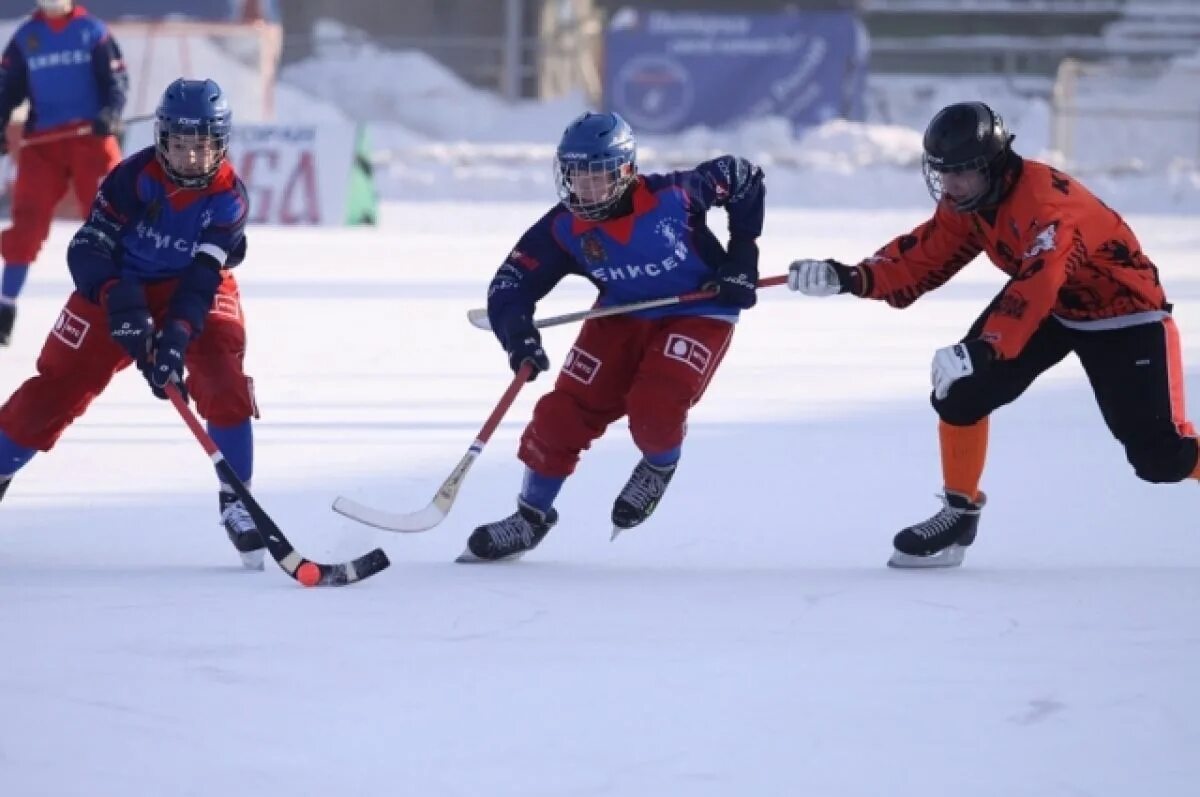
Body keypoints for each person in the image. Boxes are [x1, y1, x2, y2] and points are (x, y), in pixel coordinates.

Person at [788, 100, 1196, 568]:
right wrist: (849, 277)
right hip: (1054, 308)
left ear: (995, 166)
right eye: (943, 172)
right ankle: (959, 514)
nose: (950, 184)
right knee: (962, 391)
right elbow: (922, 257)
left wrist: (987, 347)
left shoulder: (1047, 206)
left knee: (1160, 459)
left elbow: (1039, 281)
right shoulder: (972, 201)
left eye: (961, 172)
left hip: (1124, 315)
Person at [461, 110, 766, 562]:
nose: (584, 188)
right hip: (621, 314)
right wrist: (517, 335)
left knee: (655, 405)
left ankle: (658, 465)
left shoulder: (676, 195)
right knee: (559, 415)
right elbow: (510, 284)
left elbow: (743, 177)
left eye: (597, 175)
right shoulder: (562, 227)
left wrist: (742, 257)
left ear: (625, 171)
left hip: (699, 310)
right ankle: (530, 519)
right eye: (575, 175)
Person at [0, 78, 263, 568]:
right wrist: (122, 306)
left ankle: (237, 499)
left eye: (202, 147)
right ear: (162, 139)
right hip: (119, 286)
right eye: (180, 145)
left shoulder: (230, 198)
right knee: (54, 391)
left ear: (221, 144)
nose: (190, 159)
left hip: (193, 290)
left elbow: (204, 277)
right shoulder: (132, 178)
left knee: (223, 377)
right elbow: (86, 249)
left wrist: (176, 339)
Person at [0, 0, 129, 345]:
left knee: (113, 220)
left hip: (91, 138)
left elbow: (116, 81)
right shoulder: (27, 37)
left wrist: (111, 113)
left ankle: (128, 305)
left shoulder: (93, 32)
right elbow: (6, 88)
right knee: (26, 225)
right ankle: (5, 306)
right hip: (43, 145)